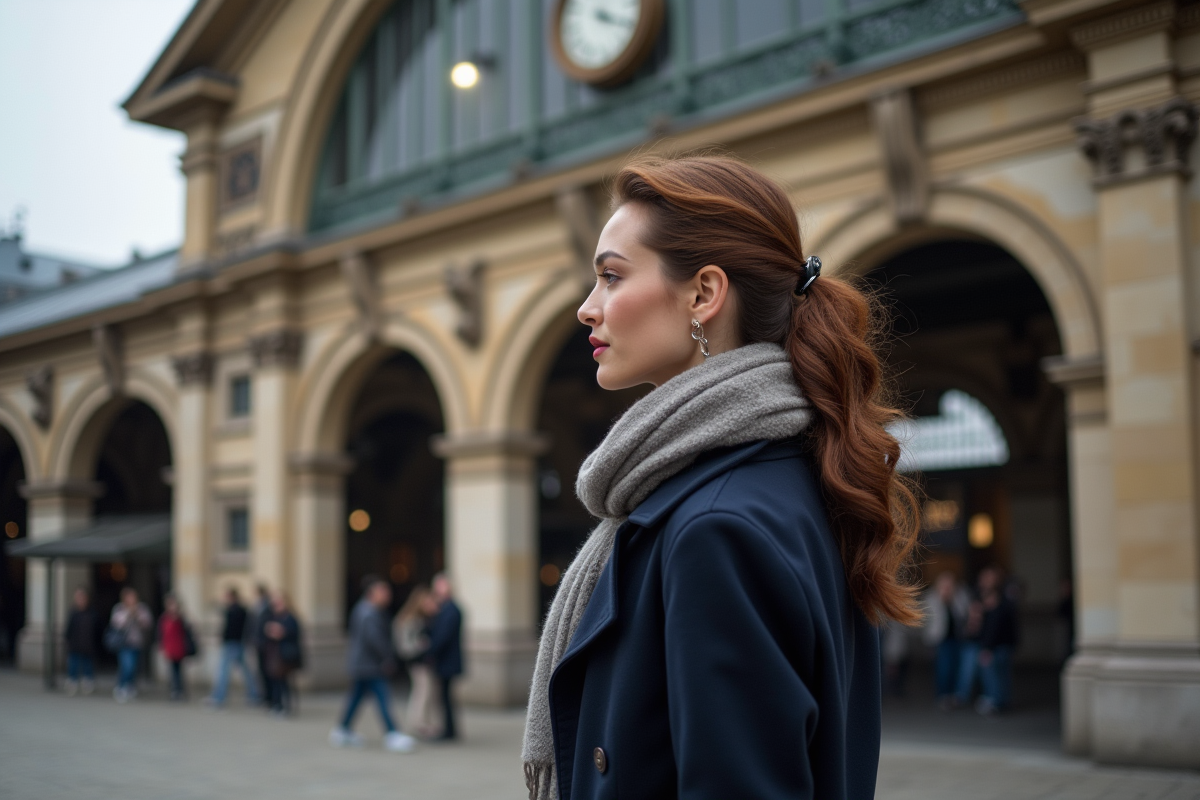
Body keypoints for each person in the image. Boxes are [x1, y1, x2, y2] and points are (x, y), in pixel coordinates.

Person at [521, 156, 921, 800]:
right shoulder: (796, 478)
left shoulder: (716, 527)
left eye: (611, 277)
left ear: (704, 294)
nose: (586, 309)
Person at [330, 577, 417, 752]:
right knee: (383, 698)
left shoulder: (365, 610)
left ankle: (343, 730)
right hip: (370, 666)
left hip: (363, 664)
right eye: (383, 591)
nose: (388, 595)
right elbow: (375, 640)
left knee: (356, 698)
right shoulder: (369, 612)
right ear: (372, 593)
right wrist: (387, 658)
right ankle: (392, 733)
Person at [394, 585, 439, 738]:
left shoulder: (419, 618)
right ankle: (418, 723)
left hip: (421, 661)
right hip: (417, 661)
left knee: (426, 692)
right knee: (422, 692)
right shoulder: (410, 620)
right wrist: (421, 645)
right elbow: (405, 645)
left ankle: (423, 722)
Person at [424, 573, 463, 741]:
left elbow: (443, 636)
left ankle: (449, 731)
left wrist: (430, 651)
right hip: (445, 660)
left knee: (445, 698)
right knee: (444, 697)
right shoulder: (444, 607)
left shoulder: (451, 609)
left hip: (447, 661)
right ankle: (449, 729)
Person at [922, 572, 969, 708]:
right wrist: (941, 602)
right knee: (943, 668)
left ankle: (955, 694)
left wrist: (951, 601)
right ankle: (943, 695)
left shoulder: (960, 596)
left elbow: (964, 614)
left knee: (957, 667)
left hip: (958, 638)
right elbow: (926, 620)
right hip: (940, 639)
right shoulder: (932, 597)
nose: (947, 587)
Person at [976, 567, 1019, 715]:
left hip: (998, 644)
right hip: (1001, 643)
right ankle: (1000, 701)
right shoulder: (1004, 597)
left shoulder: (1000, 599)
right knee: (1001, 674)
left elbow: (993, 626)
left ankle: (996, 701)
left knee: (995, 674)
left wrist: (986, 647)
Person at [207, 587, 259, 708]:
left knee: (223, 672)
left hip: (232, 644)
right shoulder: (240, 609)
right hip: (238, 643)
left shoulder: (235, 610)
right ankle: (254, 694)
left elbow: (230, 629)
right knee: (246, 671)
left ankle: (219, 698)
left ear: (231, 597)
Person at [261, 591, 302, 716]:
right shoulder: (273, 616)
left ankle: (285, 707)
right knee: (275, 681)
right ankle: (276, 704)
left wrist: (279, 632)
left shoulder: (290, 618)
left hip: (286, 655)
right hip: (274, 655)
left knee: (284, 682)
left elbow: (290, 634)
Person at [108, 587, 152, 702]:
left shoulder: (141, 608)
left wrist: (137, 615)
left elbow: (147, 623)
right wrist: (128, 614)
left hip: (136, 643)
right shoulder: (119, 608)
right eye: (129, 597)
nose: (131, 599)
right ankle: (121, 686)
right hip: (123, 643)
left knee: (134, 667)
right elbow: (116, 624)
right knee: (127, 666)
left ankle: (130, 686)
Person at [157, 594, 195, 701]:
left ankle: (180, 690)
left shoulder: (181, 618)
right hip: (170, 647)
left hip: (180, 648)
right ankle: (175, 690)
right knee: (173, 670)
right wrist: (162, 647)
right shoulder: (164, 618)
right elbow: (161, 634)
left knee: (179, 670)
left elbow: (188, 632)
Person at [64, 587, 98, 696]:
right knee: (73, 665)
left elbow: (97, 630)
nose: (81, 600)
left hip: (88, 646)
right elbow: (69, 630)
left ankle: (88, 683)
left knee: (88, 666)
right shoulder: (73, 613)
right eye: (78, 597)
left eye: (82, 597)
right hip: (75, 645)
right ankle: (72, 682)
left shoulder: (92, 613)